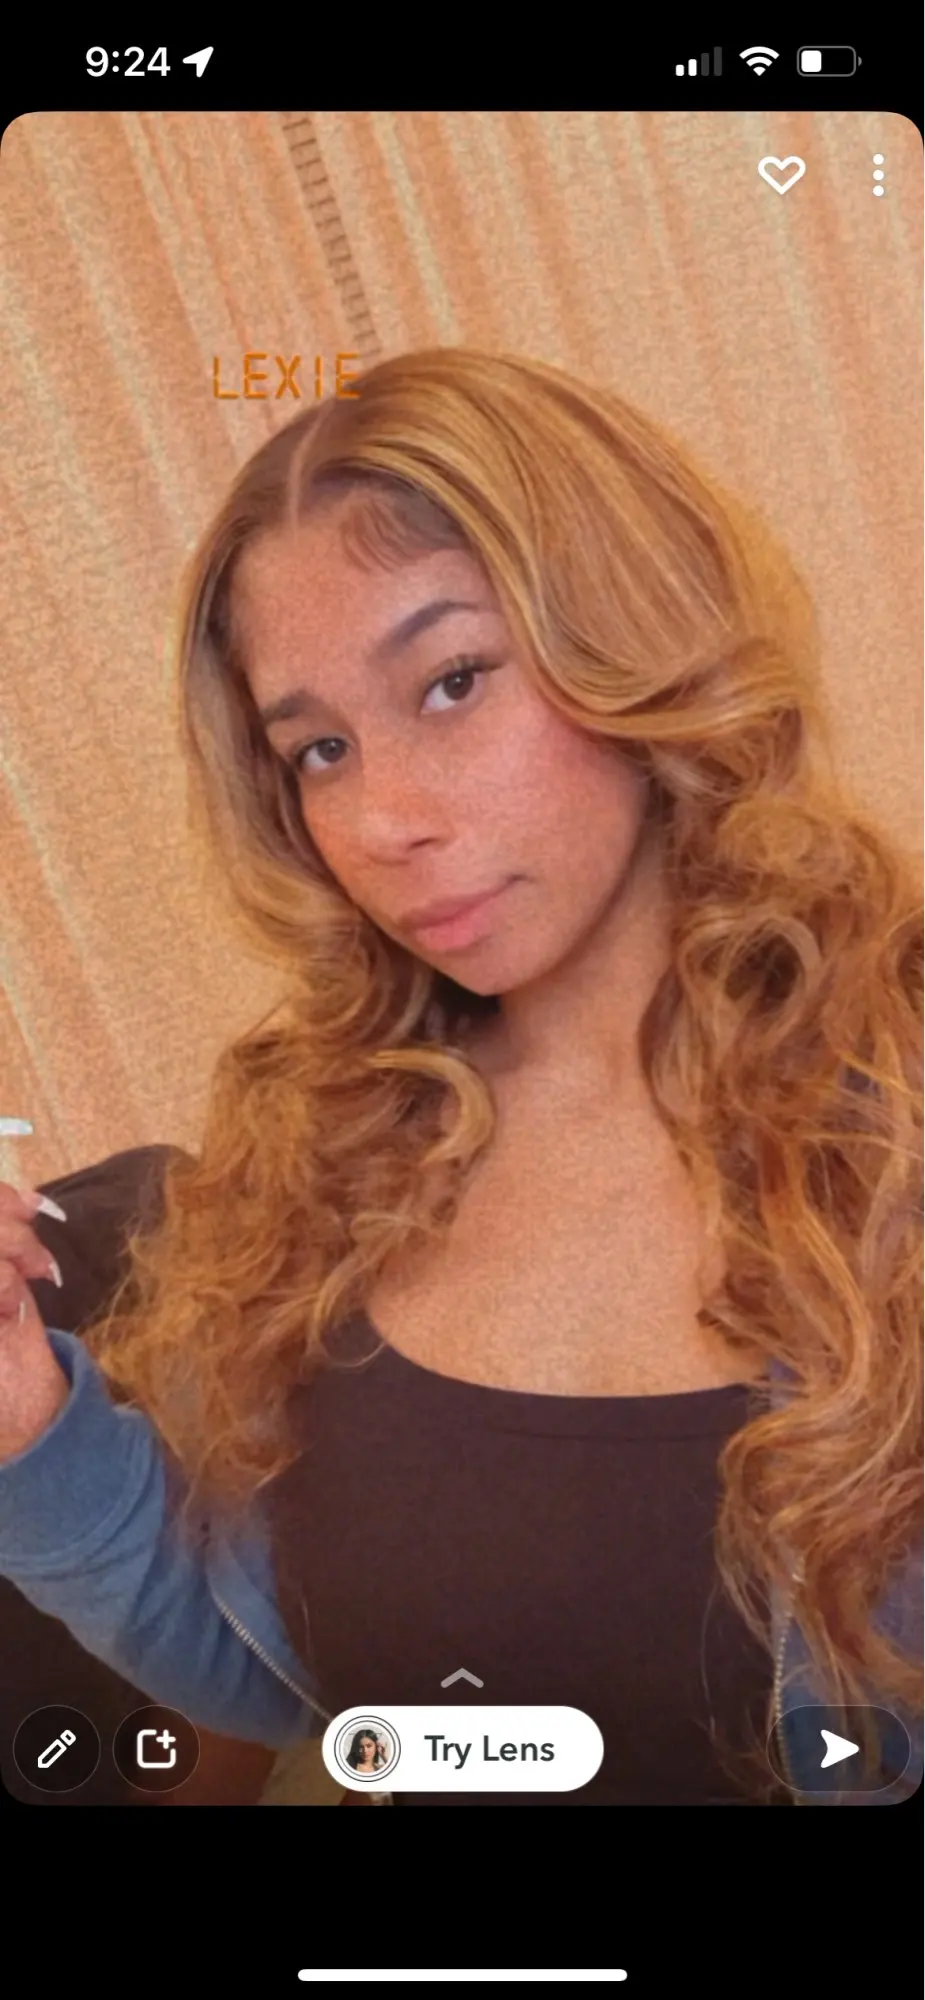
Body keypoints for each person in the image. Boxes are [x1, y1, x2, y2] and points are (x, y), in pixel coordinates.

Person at [0, 347, 920, 1806]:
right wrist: (25, 1418)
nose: (381, 819)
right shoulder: (323, 1151)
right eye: (319, 750)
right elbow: (296, 1680)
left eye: (451, 681)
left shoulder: (897, 1117)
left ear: (632, 631)